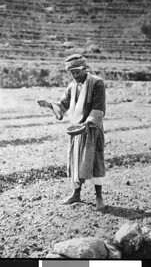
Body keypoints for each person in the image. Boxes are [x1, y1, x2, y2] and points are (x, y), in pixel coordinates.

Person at [37, 54, 106, 210]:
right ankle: (76, 193)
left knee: (94, 161)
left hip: (92, 129)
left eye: (77, 72)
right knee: (75, 161)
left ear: (84, 69)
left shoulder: (97, 83)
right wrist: (48, 104)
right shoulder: (72, 87)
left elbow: (99, 108)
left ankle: (99, 196)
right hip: (77, 130)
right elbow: (62, 106)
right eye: (72, 73)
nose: (75, 76)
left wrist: (87, 124)